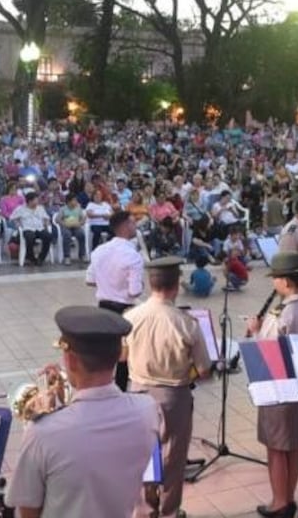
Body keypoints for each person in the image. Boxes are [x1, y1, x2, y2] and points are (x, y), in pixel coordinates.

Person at [7, 306, 160, 518]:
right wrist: (62, 406)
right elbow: (93, 435)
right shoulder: (148, 410)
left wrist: (51, 414)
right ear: (117, 356)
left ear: (70, 360)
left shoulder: (41, 433)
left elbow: (27, 511)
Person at [125, 256, 212, 518]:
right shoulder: (186, 322)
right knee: (172, 456)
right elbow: (204, 368)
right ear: (176, 285)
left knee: (141, 454)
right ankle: (168, 511)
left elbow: (119, 355)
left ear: (151, 284)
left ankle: (143, 509)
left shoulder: (131, 316)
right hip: (174, 395)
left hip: (137, 392)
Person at [245, 252, 298, 518]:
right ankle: (289, 496)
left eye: (276, 278)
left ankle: (279, 502)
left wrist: (255, 330)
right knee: (294, 445)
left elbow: (265, 353)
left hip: (278, 387)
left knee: (276, 447)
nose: (273, 282)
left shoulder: (281, 314)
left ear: (286, 282)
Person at [85, 211, 144, 390]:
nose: (136, 227)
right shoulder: (132, 255)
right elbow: (134, 292)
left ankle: (101, 388)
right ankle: (120, 390)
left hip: (103, 307)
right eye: (133, 223)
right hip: (125, 310)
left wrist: (107, 283)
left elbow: (89, 280)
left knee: (105, 353)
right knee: (124, 356)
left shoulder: (100, 251)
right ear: (125, 226)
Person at [11, 192, 53, 265]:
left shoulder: (40, 208)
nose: (37, 201)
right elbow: (13, 218)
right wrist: (18, 225)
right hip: (27, 228)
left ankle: (41, 257)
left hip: (39, 228)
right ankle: (31, 257)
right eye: (36, 200)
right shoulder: (21, 209)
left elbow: (46, 218)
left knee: (48, 236)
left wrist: (46, 224)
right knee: (30, 237)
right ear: (30, 201)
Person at [54, 194, 86, 264]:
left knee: (81, 234)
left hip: (76, 226)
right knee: (67, 235)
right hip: (66, 227)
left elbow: (83, 219)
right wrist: (64, 224)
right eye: (74, 200)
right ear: (68, 202)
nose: (76, 202)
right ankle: (67, 256)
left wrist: (80, 223)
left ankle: (82, 254)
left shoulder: (78, 208)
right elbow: (57, 219)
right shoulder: (63, 209)